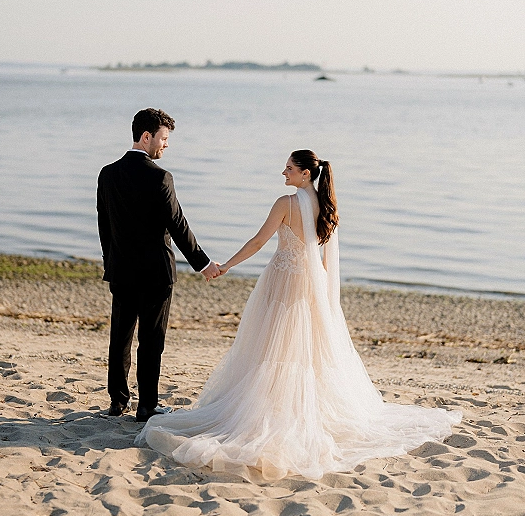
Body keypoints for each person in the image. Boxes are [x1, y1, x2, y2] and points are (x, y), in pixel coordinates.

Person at [137, 150, 461, 481]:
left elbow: (259, 241)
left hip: (283, 281)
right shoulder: (328, 205)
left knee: (271, 346)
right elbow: (320, 255)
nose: (284, 172)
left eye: (289, 168)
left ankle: (269, 407)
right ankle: (298, 406)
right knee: (307, 349)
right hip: (312, 282)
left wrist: (226, 265)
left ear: (305, 174)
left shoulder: (286, 203)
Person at [97, 108, 220, 422]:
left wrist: (110, 262)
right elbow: (177, 224)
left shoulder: (107, 173)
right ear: (146, 136)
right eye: (163, 139)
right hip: (155, 276)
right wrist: (203, 263)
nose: (166, 145)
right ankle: (147, 406)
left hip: (121, 272)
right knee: (151, 341)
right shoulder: (160, 177)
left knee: (120, 338)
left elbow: (104, 225)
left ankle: (117, 401)